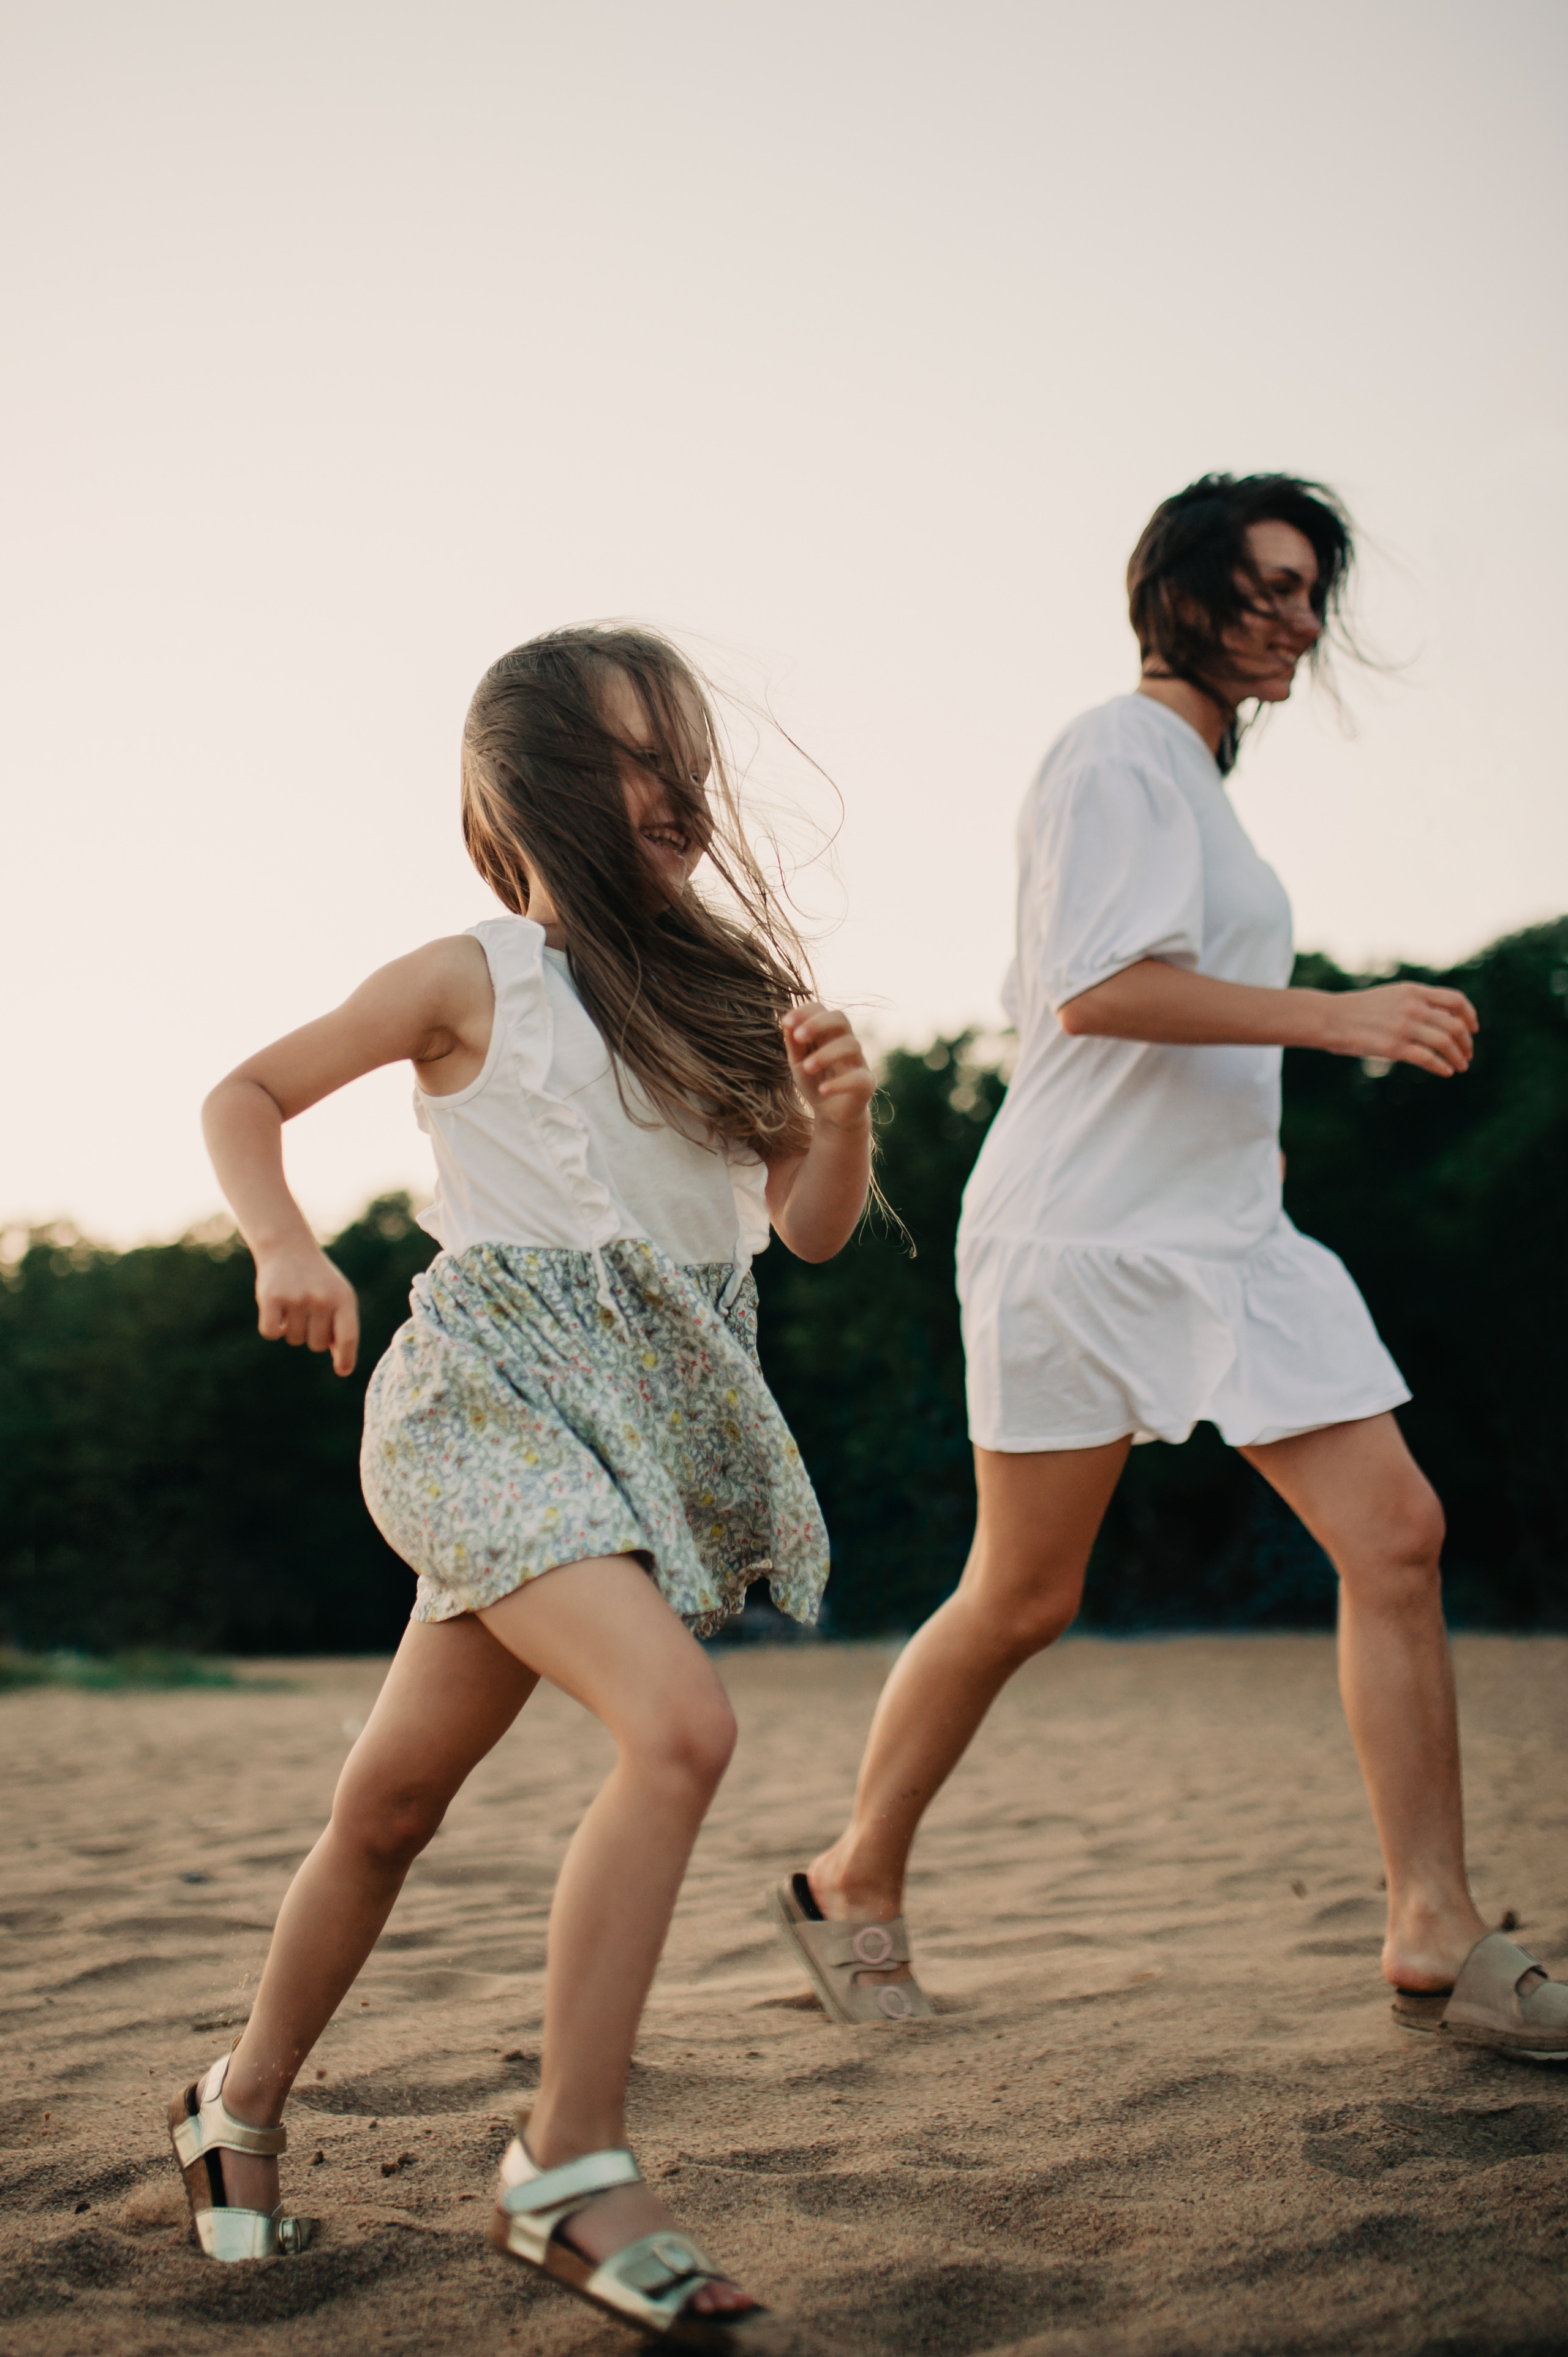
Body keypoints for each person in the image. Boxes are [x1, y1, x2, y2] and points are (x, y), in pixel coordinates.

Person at [772, 474, 1568, 2064]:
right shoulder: (1115, 749)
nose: (1295, 617)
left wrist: (1278, 1091)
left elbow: (1172, 1001)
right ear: (1180, 594)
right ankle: (850, 1877)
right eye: (1265, 584)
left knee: (1398, 1535)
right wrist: (1345, 1016)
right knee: (1020, 1596)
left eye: (1309, 593)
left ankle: (1434, 1926)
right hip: (1078, 1238)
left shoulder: (1202, 789)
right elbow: (1099, 994)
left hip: (1228, 1239)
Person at [179, 626, 875, 2344]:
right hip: (482, 1409)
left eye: (683, 758)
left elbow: (812, 1230)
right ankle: (568, 2167)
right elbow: (245, 1092)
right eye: (630, 759)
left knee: (390, 1809)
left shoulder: (728, 985)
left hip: (636, 1434)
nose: (672, 791)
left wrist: (844, 1121)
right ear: (534, 791)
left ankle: (233, 2104)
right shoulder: (470, 975)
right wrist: (286, 1241)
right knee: (683, 1727)